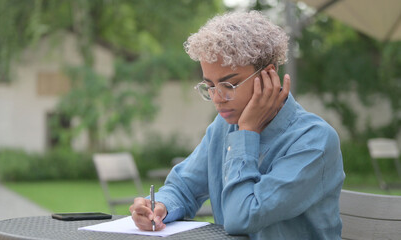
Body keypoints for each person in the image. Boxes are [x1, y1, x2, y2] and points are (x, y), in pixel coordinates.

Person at [130, 10, 345, 239]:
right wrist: (160, 206)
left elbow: (241, 217)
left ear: (268, 75)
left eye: (229, 85)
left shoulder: (314, 141)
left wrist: (247, 132)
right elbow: (183, 187)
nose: (217, 97)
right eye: (209, 86)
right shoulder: (224, 127)